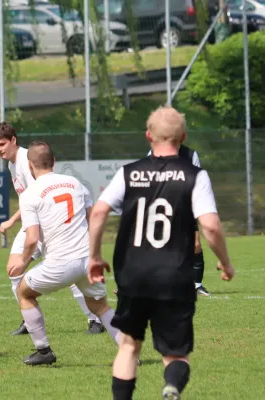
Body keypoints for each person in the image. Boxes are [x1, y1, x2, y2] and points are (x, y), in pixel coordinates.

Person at [87, 106, 235, 400]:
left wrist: (94, 256)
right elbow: (211, 226)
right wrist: (225, 262)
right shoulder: (195, 175)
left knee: (129, 346)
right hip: (175, 275)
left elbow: (98, 212)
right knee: (175, 354)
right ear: (183, 136)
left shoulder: (128, 173)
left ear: (148, 136)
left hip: (133, 274)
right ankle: (170, 387)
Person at [10, 140, 122, 366]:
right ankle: (129, 350)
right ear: (54, 162)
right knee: (99, 305)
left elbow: (32, 238)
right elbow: (93, 220)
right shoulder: (76, 183)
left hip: (60, 263)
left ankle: (43, 352)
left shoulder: (30, 194)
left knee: (24, 292)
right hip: (87, 260)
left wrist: (23, 262)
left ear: (30, 166)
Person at [0, 122, 105, 336]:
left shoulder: (27, 160)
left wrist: (11, 220)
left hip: (46, 224)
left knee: (68, 272)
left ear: (13, 140)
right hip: (33, 224)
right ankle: (28, 316)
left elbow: (39, 195)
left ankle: (95, 319)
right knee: (14, 269)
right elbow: (28, 199)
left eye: (2, 144)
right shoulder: (11, 164)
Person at [114, 144, 210, 297]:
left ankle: (197, 285)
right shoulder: (154, 152)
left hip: (184, 205)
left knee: (195, 244)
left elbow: (196, 181)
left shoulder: (191, 155)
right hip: (161, 206)